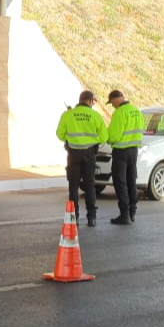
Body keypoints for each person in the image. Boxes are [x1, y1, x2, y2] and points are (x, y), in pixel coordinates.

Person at [56, 90, 108, 226]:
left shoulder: (68, 115)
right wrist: (92, 140)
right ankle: (91, 217)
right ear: (90, 101)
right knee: (90, 186)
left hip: (73, 155)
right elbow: (104, 137)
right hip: (89, 155)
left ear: (80, 100)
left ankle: (74, 217)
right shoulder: (95, 116)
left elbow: (60, 134)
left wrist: (71, 138)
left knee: (73, 187)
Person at [105, 90, 144, 226]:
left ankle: (124, 214)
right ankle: (132, 211)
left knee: (120, 181)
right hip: (134, 150)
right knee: (131, 179)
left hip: (121, 151)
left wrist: (107, 139)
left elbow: (114, 135)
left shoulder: (119, 113)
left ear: (115, 99)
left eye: (112, 103)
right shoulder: (136, 110)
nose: (112, 106)